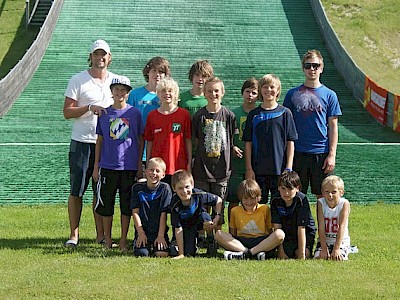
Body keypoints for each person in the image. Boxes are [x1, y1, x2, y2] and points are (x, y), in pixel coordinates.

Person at [63, 39, 115, 247]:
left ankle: (100, 235)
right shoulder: (78, 80)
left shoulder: (117, 81)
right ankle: (74, 235)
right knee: (77, 190)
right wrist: (88, 108)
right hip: (82, 142)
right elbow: (67, 112)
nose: (100, 58)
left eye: (103, 54)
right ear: (91, 56)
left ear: (109, 58)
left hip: (107, 144)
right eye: (96, 54)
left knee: (99, 191)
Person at [93, 76, 144, 251]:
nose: (119, 93)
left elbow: (140, 139)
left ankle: (123, 239)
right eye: (116, 89)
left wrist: (138, 164)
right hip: (108, 167)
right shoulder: (105, 114)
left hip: (128, 168)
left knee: (126, 206)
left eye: (123, 90)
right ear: (111, 92)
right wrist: (96, 166)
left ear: (128, 93)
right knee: (106, 205)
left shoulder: (134, 114)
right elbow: (99, 140)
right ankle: (107, 239)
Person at [283, 49, 342, 198]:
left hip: (320, 153)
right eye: (308, 65)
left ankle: (321, 222)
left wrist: (332, 154)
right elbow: (286, 125)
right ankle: (299, 222)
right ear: (303, 68)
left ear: (321, 68)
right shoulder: (292, 94)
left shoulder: (330, 95)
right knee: (295, 195)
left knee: (323, 196)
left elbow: (333, 126)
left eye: (315, 65)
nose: (312, 69)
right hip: (298, 152)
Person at [192, 77, 241, 248]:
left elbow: (230, 139)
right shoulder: (199, 116)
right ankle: (204, 238)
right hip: (202, 170)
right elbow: (196, 142)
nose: (213, 94)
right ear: (204, 93)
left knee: (219, 207)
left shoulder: (229, 115)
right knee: (202, 207)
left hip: (222, 171)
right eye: (210, 91)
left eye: (216, 91)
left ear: (222, 93)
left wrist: (233, 148)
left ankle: (217, 239)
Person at [243, 74, 297, 203]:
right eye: (265, 87)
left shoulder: (285, 113)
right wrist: (249, 168)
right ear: (261, 90)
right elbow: (248, 143)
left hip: (280, 170)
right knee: (257, 206)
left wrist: (288, 167)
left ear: (278, 90)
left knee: (278, 205)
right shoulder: (254, 114)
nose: (268, 90)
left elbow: (291, 142)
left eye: (272, 87)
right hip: (258, 170)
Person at [215, 179, 285, 260]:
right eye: (246, 198)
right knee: (218, 234)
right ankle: (251, 253)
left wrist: (269, 242)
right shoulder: (235, 210)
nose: (249, 202)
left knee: (280, 234)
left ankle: (246, 254)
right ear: (240, 198)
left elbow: (270, 230)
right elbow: (233, 233)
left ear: (258, 197)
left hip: (260, 240)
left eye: (252, 198)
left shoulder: (265, 208)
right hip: (241, 242)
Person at [144, 77, 192, 186]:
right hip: (158, 169)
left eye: (170, 91)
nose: (167, 94)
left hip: (178, 165)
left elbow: (188, 139)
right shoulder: (152, 116)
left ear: (176, 94)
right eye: (163, 91)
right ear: (158, 94)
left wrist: (189, 163)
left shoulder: (184, 114)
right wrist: (148, 163)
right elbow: (149, 141)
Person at [127, 57, 171, 171]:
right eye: (154, 71)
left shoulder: (168, 96)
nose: (157, 75)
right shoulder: (135, 95)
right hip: (139, 151)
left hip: (162, 151)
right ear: (148, 72)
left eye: (161, 72)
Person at [170, 170, 223, 258]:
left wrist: (217, 215)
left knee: (206, 217)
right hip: (186, 227)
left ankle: (210, 240)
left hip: (199, 221)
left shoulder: (198, 194)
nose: (184, 191)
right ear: (174, 188)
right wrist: (181, 254)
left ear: (192, 185)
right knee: (189, 253)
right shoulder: (174, 203)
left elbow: (218, 200)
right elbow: (178, 229)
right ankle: (192, 242)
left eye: (187, 187)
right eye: (180, 188)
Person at [228, 78, 258, 219]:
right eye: (247, 91)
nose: (250, 95)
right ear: (242, 93)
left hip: (255, 163)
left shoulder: (260, 114)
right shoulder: (233, 114)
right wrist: (233, 147)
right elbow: (226, 137)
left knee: (253, 198)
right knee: (234, 199)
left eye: (254, 92)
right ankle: (232, 231)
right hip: (236, 164)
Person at [130, 157, 172, 257]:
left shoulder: (165, 188)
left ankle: (158, 244)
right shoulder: (137, 188)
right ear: (145, 171)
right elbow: (135, 212)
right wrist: (140, 233)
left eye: (157, 171)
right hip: (143, 231)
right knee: (142, 254)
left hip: (159, 231)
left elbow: (164, 214)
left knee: (162, 254)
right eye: (151, 170)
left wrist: (161, 236)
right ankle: (140, 244)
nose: (153, 173)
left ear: (163, 175)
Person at [271, 171, 316, 259]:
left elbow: (301, 228)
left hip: (305, 232)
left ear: (297, 188)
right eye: (283, 189)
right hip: (287, 233)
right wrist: (281, 251)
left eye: (290, 189)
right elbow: (277, 227)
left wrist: (301, 254)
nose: (286, 193)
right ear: (278, 188)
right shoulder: (275, 200)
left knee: (304, 254)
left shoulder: (302, 200)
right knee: (286, 255)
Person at [314, 175, 350, 261]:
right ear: (322, 192)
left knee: (339, 258)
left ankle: (345, 248)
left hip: (341, 240)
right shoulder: (320, 203)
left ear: (341, 192)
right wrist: (323, 247)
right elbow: (321, 226)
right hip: (326, 240)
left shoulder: (344, 204)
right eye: (327, 191)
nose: (330, 195)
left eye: (334, 192)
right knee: (318, 257)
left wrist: (337, 248)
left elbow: (342, 226)